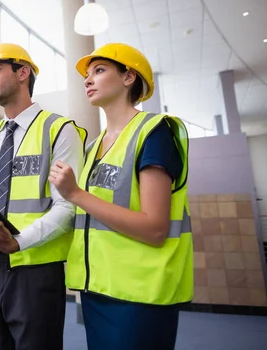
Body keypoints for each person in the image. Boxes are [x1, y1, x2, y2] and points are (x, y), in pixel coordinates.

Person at [48, 43, 193, 350]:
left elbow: (154, 229)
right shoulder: (93, 147)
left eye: (99, 71)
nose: (88, 80)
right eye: (87, 74)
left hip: (141, 295)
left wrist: (75, 193)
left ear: (129, 78)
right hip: (97, 290)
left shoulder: (153, 131)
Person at [0, 43, 87, 350]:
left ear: (23, 73)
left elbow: (68, 205)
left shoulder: (59, 130)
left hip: (35, 269)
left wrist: (18, 241)